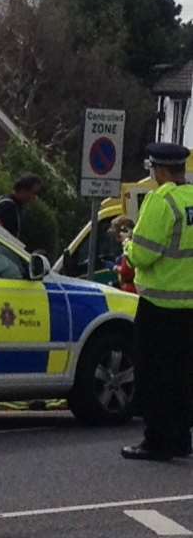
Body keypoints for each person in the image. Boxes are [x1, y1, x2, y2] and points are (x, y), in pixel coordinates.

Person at [121, 142, 193, 461]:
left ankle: (156, 440)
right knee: (183, 376)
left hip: (160, 307)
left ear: (160, 170)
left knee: (153, 375)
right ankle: (181, 438)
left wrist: (126, 245)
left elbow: (143, 254)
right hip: (190, 307)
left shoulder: (160, 200)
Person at [0, 174, 42, 238]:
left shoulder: (17, 206)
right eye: (34, 193)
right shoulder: (7, 205)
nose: (35, 197)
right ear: (23, 190)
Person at [107, 216, 136, 293]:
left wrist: (114, 267)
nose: (118, 239)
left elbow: (126, 272)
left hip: (133, 292)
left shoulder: (131, 246)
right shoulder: (129, 245)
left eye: (118, 235)